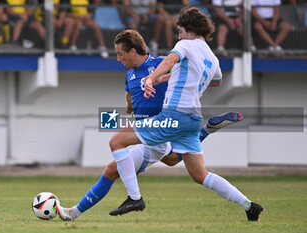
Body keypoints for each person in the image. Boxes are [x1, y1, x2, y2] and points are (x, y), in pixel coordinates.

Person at [56, 29, 245, 221]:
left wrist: (160, 79)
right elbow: (130, 96)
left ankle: (119, 202)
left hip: (162, 127)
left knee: (115, 159)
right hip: (149, 132)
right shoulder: (129, 76)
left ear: (133, 51)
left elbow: (186, 75)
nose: (118, 59)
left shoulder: (161, 63)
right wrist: (130, 106)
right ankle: (208, 129)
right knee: (171, 160)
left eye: (120, 54)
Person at [106, 8, 263, 221]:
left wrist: (152, 79)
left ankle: (134, 198)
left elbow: (170, 60)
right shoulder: (211, 56)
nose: (178, 36)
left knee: (116, 141)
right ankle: (249, 205)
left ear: (189, 30)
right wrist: (168, 78)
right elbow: (216, 81)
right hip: (192, 117)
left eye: (179, 31)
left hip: (174, 114)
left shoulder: (185, 44)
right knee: (199, 174)